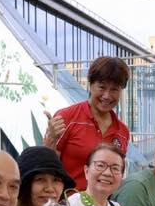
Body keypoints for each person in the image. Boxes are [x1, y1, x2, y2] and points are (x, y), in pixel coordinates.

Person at [43, 55, 132, 190]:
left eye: (114, 89)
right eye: (101, 87)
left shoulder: (123, 131)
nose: (107, 96)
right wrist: (50, 142)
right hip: (68, 205)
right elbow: (47, 167)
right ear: (90, 84)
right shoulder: (67, 117)